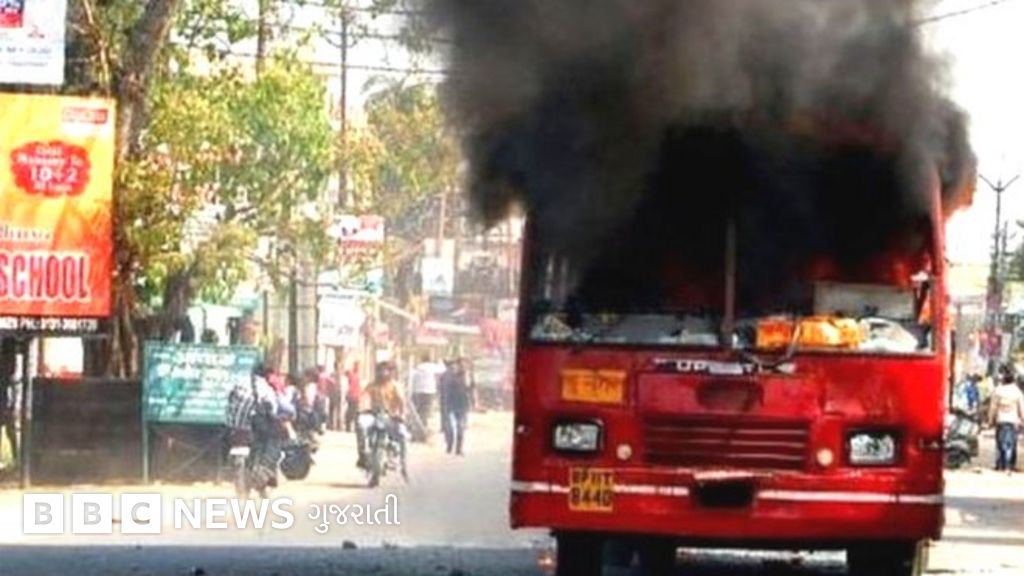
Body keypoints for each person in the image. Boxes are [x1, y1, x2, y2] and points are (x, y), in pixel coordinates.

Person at [356, 362, 407, 474]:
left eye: (385, 370)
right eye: (380, 370)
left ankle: (403, 463)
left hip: (391, 417)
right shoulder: (372, 385)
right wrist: (361, 409)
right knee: (360, 425)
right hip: (374, 415)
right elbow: (363, 397)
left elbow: (402, 402)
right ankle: (362, 454)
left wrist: (402, 414)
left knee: (403, 434)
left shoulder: (395, 386)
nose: (383, 373)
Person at [988, 365, 1024, 473]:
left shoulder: (998, 391)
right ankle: (1009, 465)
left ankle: (1000, 464)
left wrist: (990, 421)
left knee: (1000, 443)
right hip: (1013, 421)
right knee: (1011, 443)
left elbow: (993, 408)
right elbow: (1021, 407)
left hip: (1001, 420)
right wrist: (1022, 419)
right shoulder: (1017, 392)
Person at [439, 358, 473, 456]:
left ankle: (456, 448)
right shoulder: (449, 376)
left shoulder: (466, 376)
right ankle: (452, 446)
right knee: (452, 426)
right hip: (452, 403)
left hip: (460, 404)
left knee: (459, 427)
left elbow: (471, 389)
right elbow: (443, 390)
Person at [410, 355, 444, 432]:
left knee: (419, 410)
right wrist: (440, 361)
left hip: (417, 391)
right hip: (429, 390)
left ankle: (420, 426)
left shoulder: (417, 368)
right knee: (426, 410)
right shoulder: (431, 367)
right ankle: (423, 427)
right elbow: (442, 370)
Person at [344, 362, 361, 433]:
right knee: (350, 411)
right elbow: (346, 374)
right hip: (351, 395)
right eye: (357, 366)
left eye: (358, 366)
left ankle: (356, 427)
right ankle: (348, 426)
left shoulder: (358, 375)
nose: (358, 368)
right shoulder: (351, 374)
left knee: (356, 412)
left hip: (356, 396)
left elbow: (358, 386)